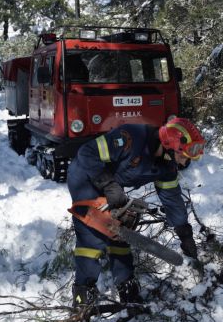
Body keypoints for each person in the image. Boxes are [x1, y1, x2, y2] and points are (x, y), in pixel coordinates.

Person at [67, 117, 206, 306]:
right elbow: (87, 153)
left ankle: (127, 289)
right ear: (169, 145)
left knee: (121, 234)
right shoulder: (131, 137)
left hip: (112, 187)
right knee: (93, 237)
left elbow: (172, 199)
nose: (185, 162)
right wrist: (109, 185)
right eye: (184, 155)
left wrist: (184, 232)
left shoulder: (167, 167)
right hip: (86, 177)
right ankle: (83, 294)